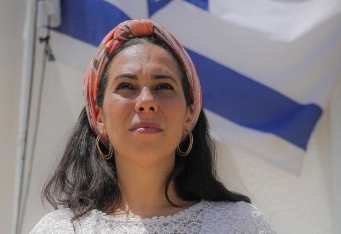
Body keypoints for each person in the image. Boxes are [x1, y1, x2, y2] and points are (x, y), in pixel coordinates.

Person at [30, 19, 276, 233]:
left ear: (190, 115)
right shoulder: (59, 230)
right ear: (99, 114)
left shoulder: (241, 226)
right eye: (126, 86)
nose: (146, 102)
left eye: (164, 87)